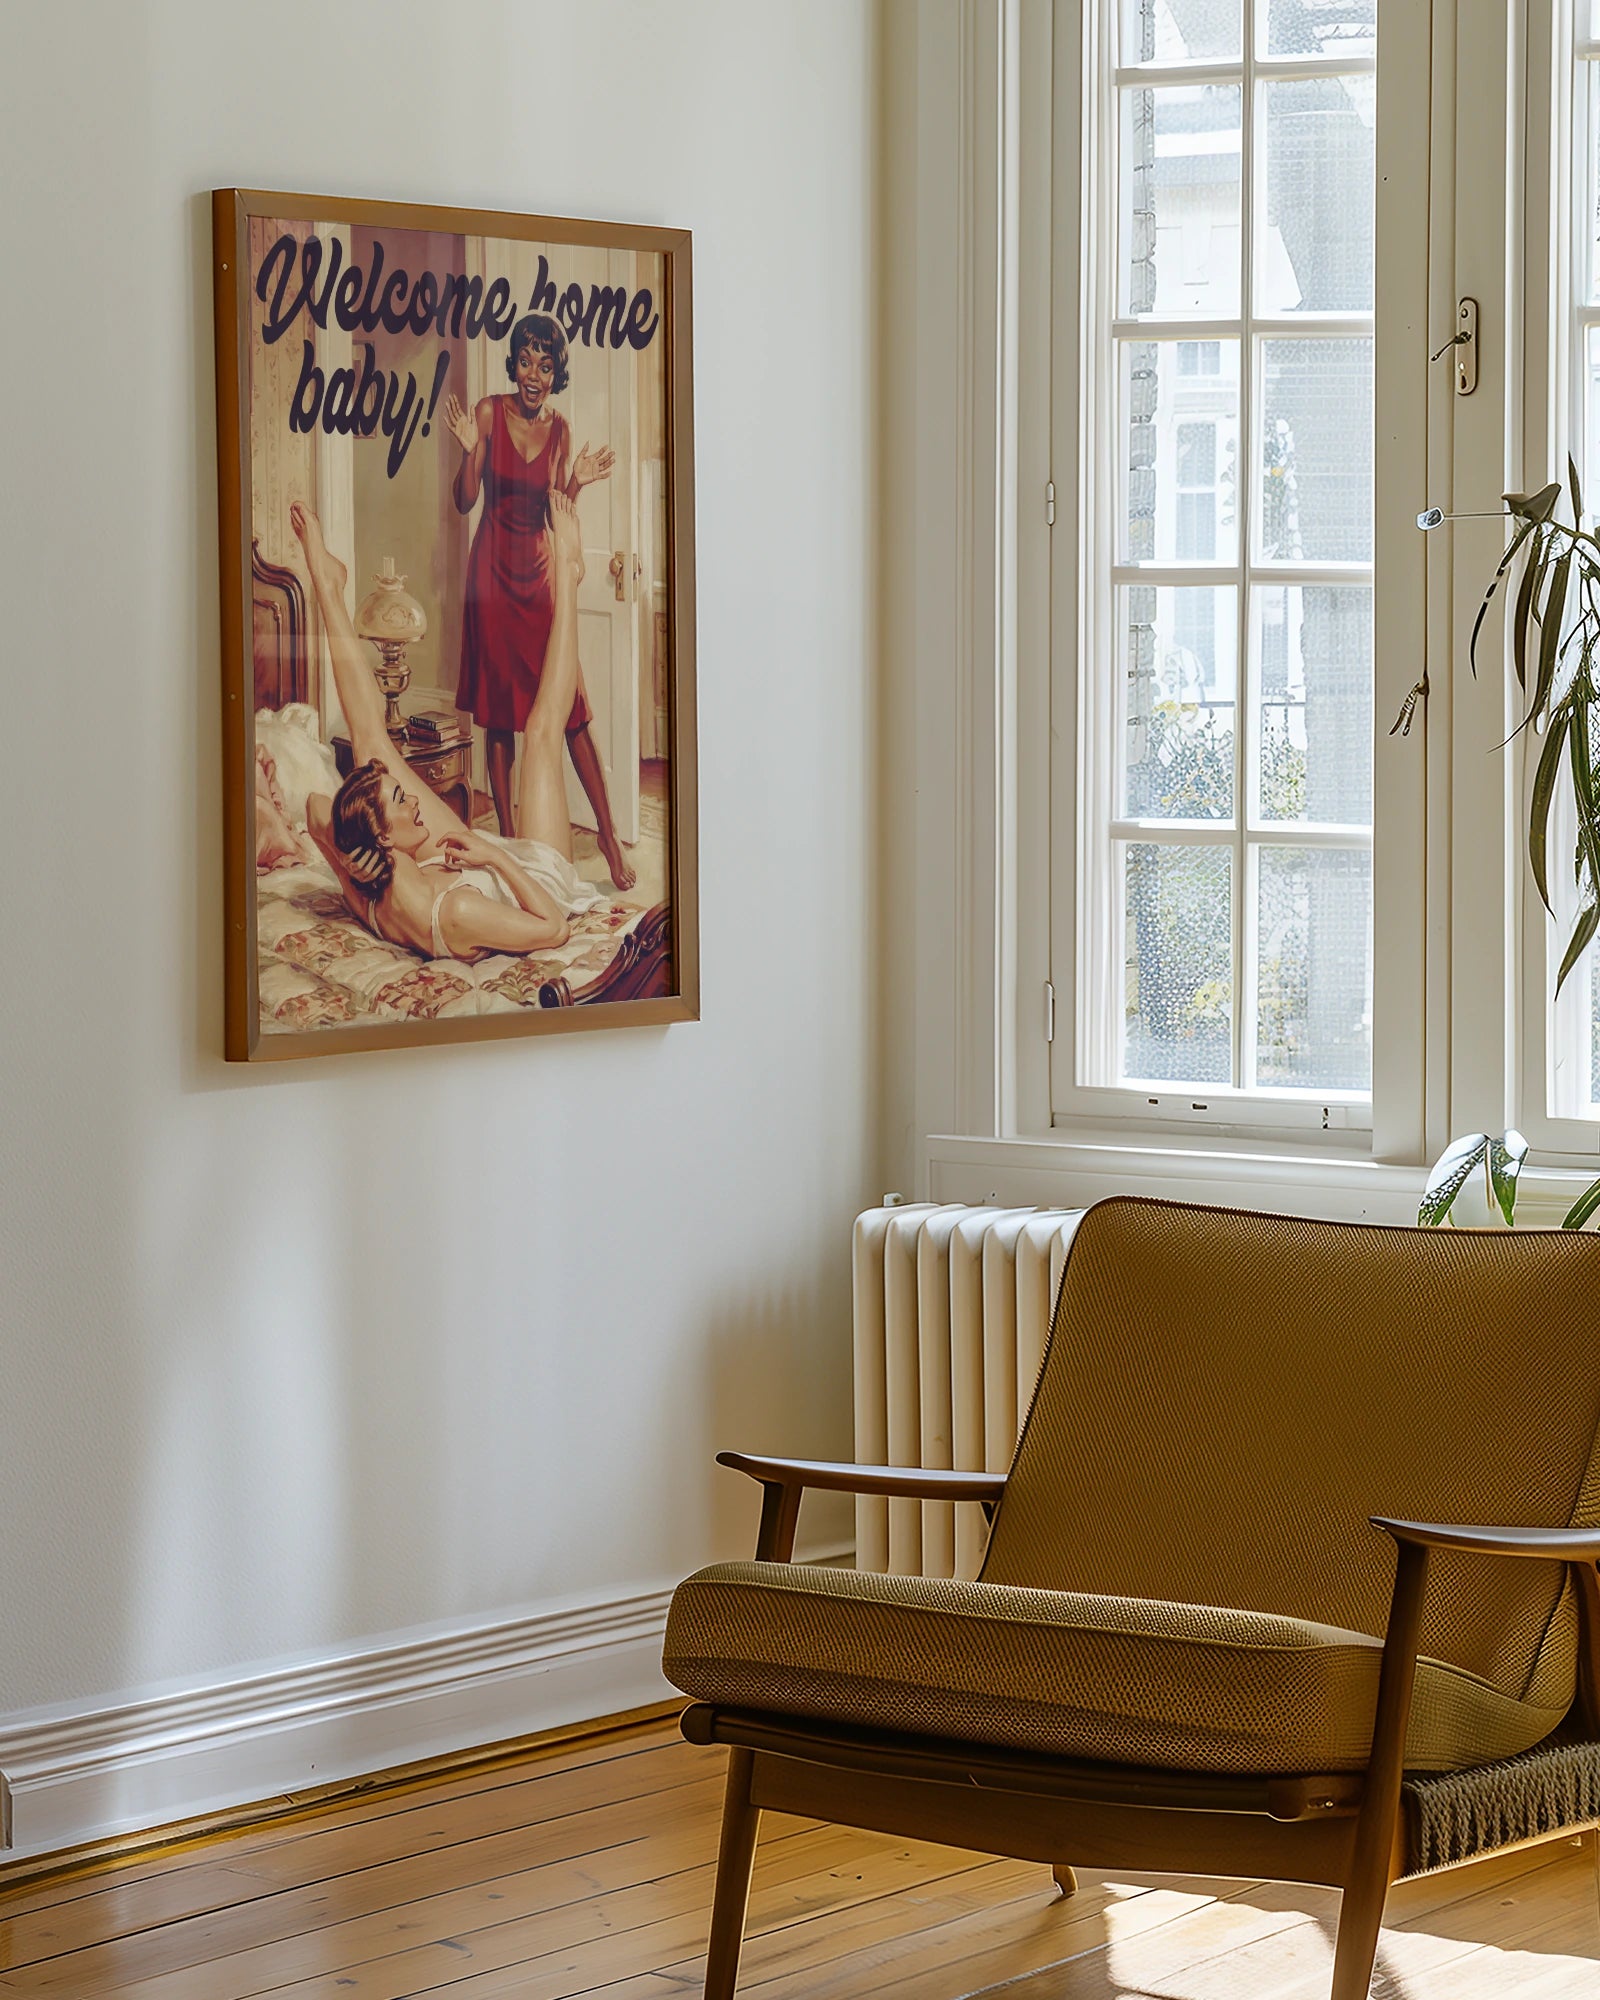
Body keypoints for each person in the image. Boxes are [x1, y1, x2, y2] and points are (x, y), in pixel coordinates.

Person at [289, 493, 601, 963]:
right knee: (539, 732)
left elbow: (315, 810)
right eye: (401, 801)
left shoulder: (372, 894)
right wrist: (492, 855)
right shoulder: (453, 911)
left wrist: (350, 858)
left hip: (439, 868)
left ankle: (327, 587)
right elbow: (553, 929)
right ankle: (568, 574)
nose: (414, 799)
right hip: (533, 881)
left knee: (372, 746)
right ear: (386, 838)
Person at [445, 313, 637, 890]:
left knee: (570, 707)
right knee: (500, 714)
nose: (534, 375)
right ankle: (510, 839)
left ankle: (605, 833)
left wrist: (576, 481)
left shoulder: (559, 431)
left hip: (540, 574)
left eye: (545, 366)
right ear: (515, 363)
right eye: (526, 362)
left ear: (556, 373)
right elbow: (464, 500)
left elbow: (559, 510)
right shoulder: (486, 413)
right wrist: (469, 451)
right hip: (491, 579)